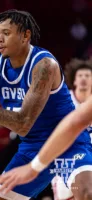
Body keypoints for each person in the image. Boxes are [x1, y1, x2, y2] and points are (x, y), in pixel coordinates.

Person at [0, 9, 92, 200]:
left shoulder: (45, 66)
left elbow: (22, 124)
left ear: (25, 35)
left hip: (68, 144)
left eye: (6, 33)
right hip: (31, 147)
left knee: (86, 193)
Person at [51, 58, 92, 200]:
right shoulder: (64, 100)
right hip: (67, 158)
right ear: (74, 80)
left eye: (88, 76)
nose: (84, 79)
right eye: (80, 76)